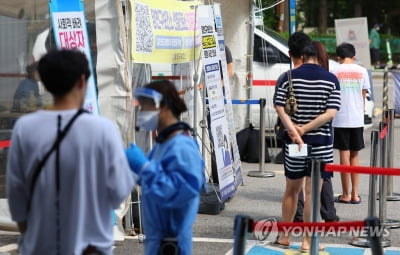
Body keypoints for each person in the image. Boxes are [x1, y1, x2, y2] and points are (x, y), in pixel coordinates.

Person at [6, 49, 136, 255]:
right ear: (82, 81)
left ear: (46, 83)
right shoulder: (103, 129)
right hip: (91, 248)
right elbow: (119, 191)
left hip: (39, 246)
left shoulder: (25, 128)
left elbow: (16, 194)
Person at [273, 42, 341, 251]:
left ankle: (284, 236)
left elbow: (278, 105)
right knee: (313, 193)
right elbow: (331, 113)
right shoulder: (331, 79)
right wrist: (306, 129)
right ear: (320, 57)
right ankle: (307, 241)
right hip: (320, 144)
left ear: (301, 56)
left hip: (295, 145)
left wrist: (294, 130)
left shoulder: (288, 77)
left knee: (292, 190)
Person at [125, 80, 205, 255]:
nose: (143, 112)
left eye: (147, 106)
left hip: (171, 244)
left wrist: (144, 167)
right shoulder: (163, 144)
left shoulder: (182, 147)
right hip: (158, 242)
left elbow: (183, 191)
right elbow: (156, 181)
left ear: (165, 107)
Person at [332, 42, 370, 204]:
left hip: (340, 117)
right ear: (354, 57)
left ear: (338, 57)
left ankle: (345, 195)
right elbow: (363, 94)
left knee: (344, 155)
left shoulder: (334, 71)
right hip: (356, 118)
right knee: (355, 155)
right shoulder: (362, 71)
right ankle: (355, 194)